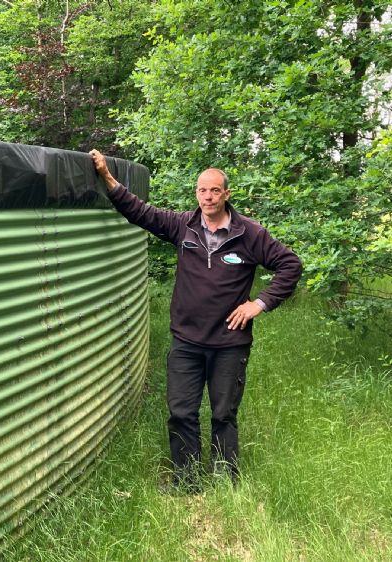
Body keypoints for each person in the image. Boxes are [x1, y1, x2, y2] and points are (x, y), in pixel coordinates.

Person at [89, 149, 302, 493]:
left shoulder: (249, 234)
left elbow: (290, 265)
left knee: (223, 415)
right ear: (196, 194)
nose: (208, 197)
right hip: (187, 342)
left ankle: (224, 482)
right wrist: (108, 177)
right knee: (182, 412)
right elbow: (139, 212)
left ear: (227, 194)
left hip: (229, 343)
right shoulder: (183, 226)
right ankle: (186, 481)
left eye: (215, 190)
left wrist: (259, 304)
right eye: (202, 190)